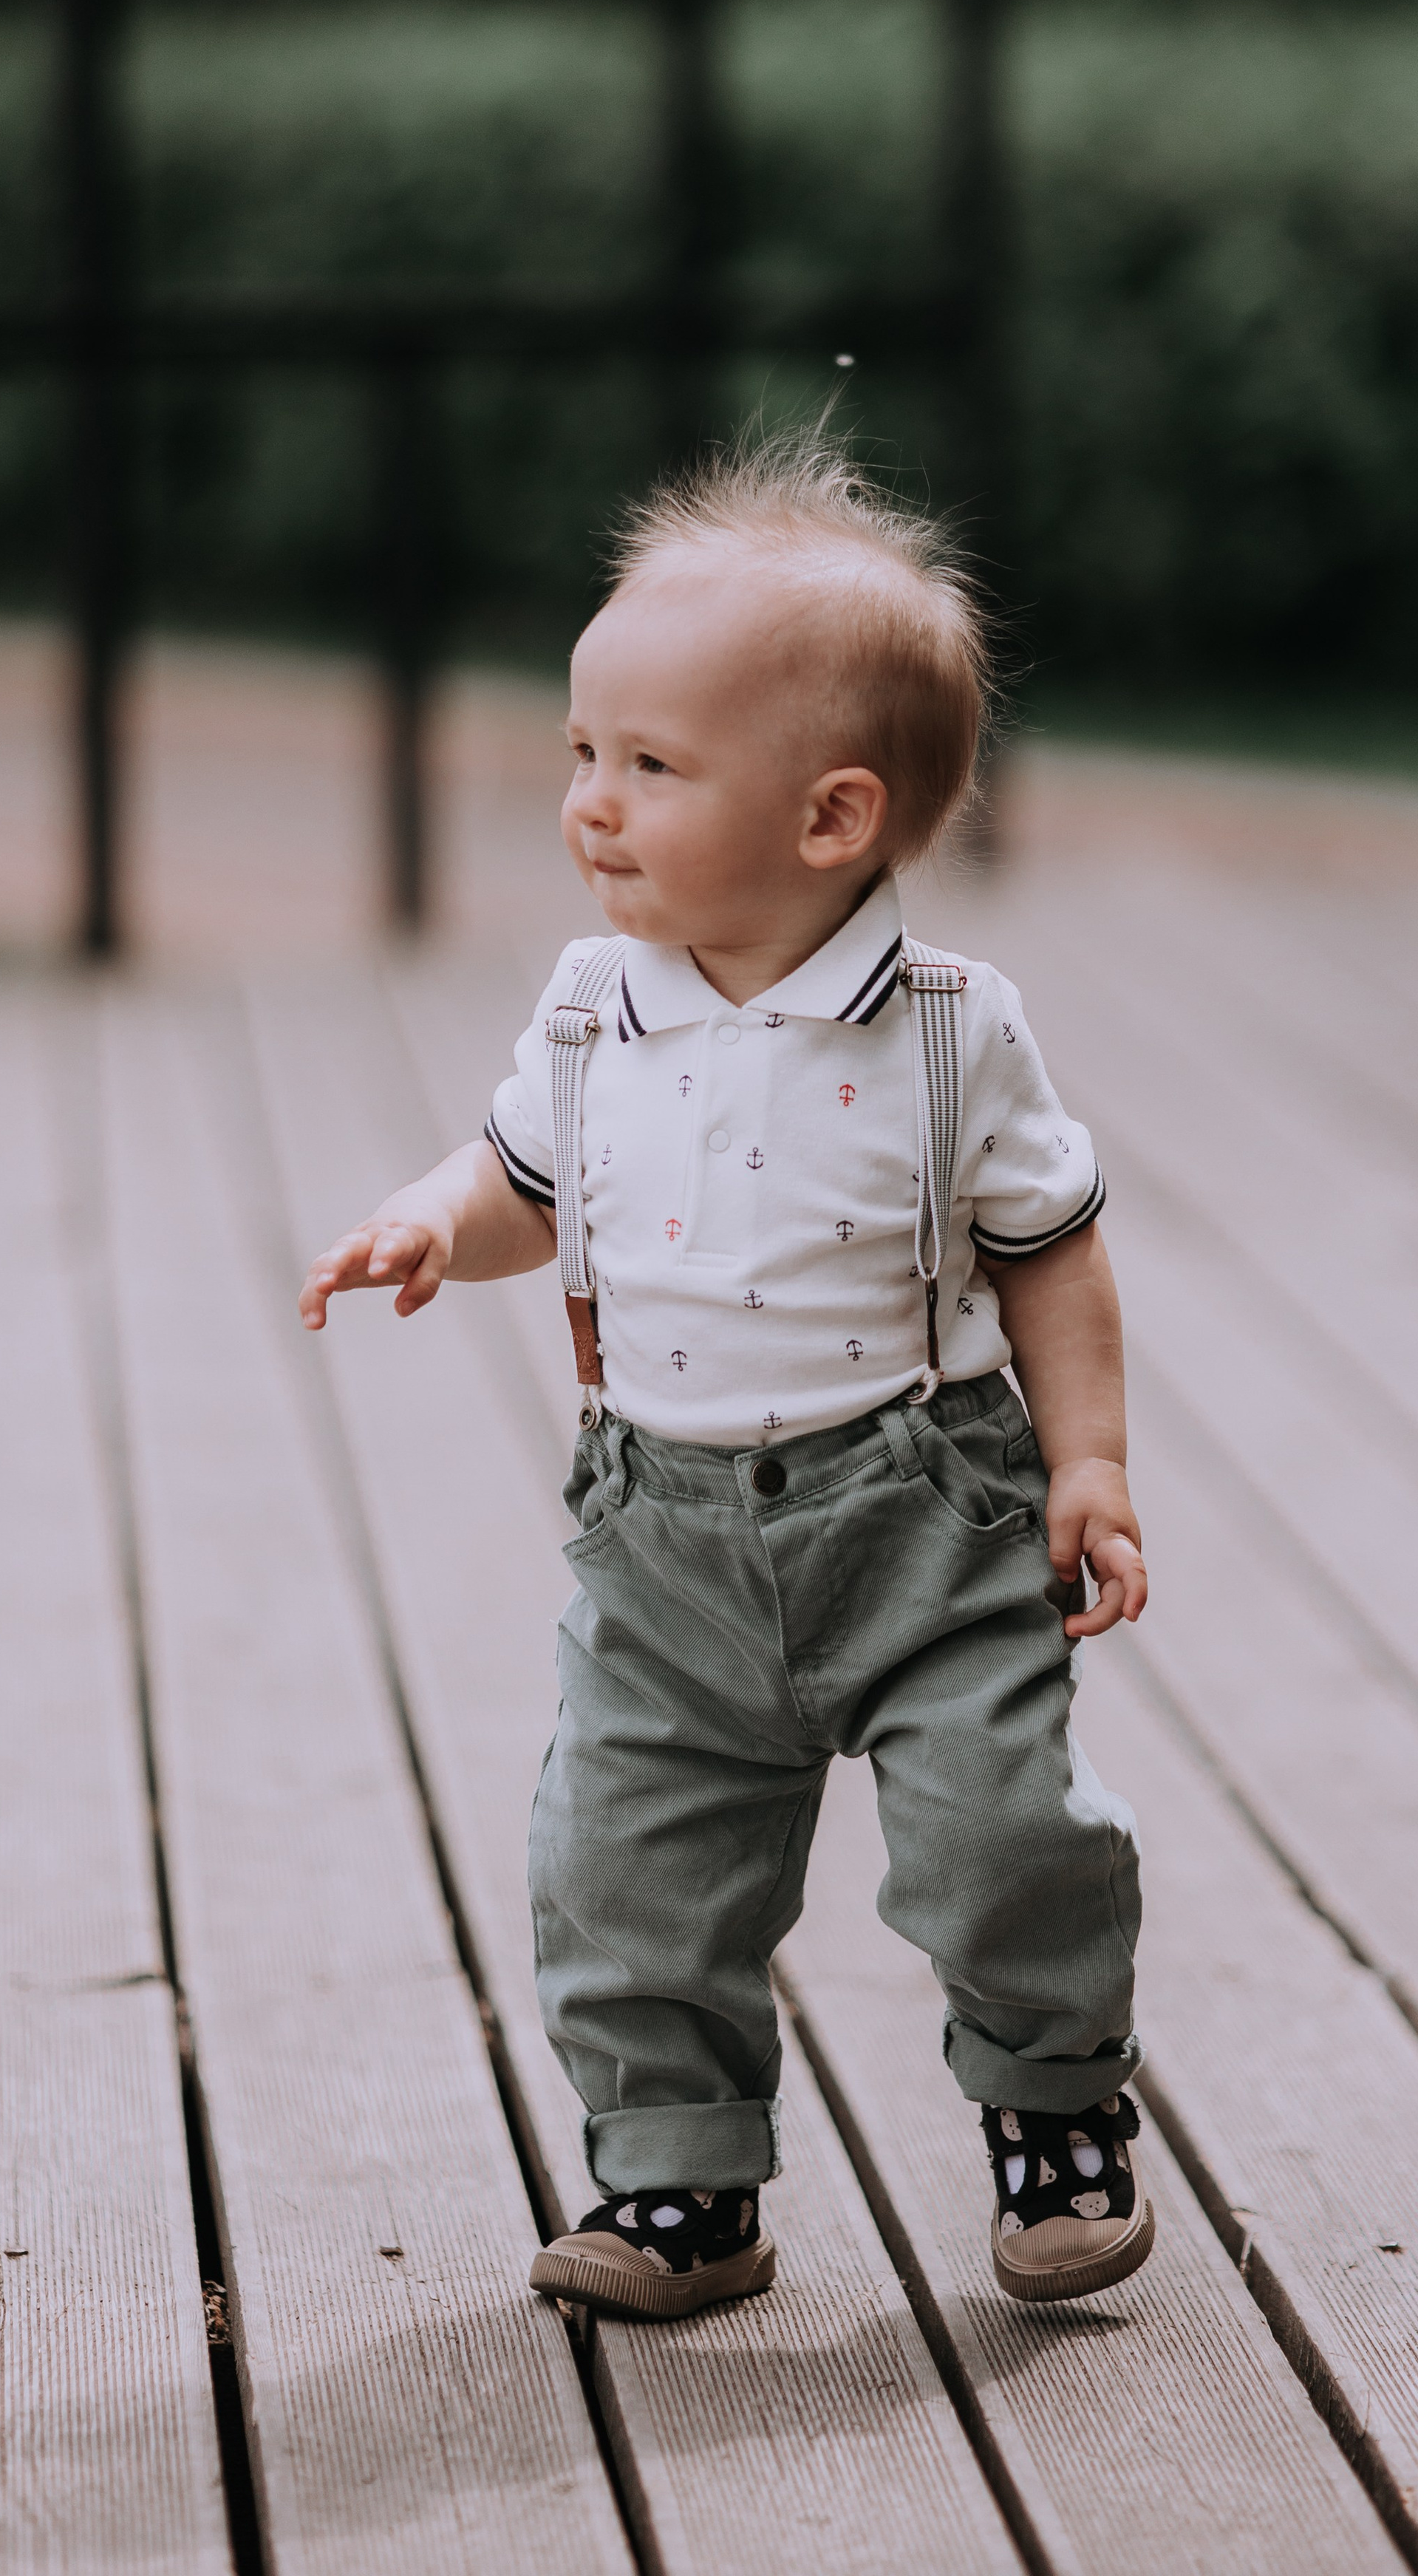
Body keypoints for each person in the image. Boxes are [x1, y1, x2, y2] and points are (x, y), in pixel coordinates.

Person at [298, 429, 1151, 2320]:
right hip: (666, 1541)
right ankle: (679, 2182)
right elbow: (530, 1184)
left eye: (649, 767)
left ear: (831, 819)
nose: (588, 806)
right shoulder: (592, 1007)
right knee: (621, 1869)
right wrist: (438, 1221)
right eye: (580, 756)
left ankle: (1055, 2109)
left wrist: (1085, 1464)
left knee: (1004, 1835)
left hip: (921, 1513)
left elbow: (1050, 1251)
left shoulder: (951, 1031)